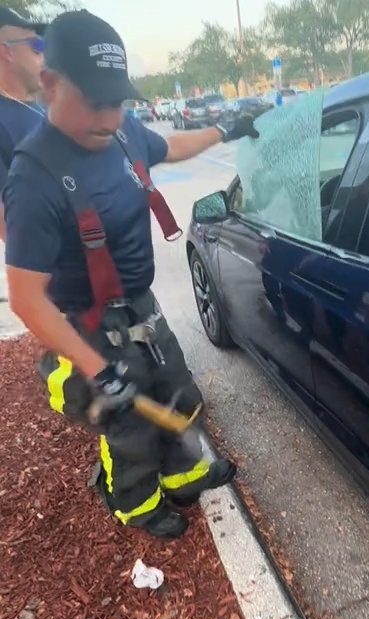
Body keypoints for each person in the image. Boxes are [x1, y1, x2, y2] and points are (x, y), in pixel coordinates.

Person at [4, 10, 259, 540]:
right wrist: (96, 368)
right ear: (51, 85)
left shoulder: (123, 135)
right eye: (94, 101)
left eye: (117, 102)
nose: (109, 116)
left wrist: (226, 127)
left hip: (140, 304)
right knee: (130, 423)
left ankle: (186, 476)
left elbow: (171, 148)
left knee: (177, 392)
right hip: (90, 321)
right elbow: (27, 299)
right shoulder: (34, 176)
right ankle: (136, 506)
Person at [0, 7, 46, 239]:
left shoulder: (46, 108)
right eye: (36, 46)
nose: (43, 56)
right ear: (6, 52)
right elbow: (7, 223)